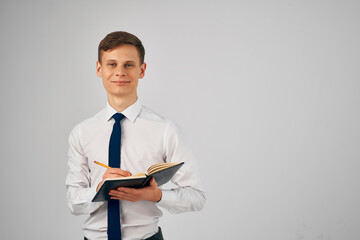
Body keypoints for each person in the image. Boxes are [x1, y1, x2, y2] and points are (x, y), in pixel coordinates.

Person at [65, 31, 206, 240]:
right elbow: (74, 203)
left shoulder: (166, 130)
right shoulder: (81, 132)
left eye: (128, 65)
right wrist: (100, 189)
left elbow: (196, 198)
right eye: (111, 64)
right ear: (99, 69)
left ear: (142, 70)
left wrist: (156, 195)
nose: (120, 72)